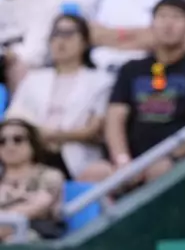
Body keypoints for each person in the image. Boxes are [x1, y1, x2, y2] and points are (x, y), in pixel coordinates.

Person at [85, 0, 185, 186]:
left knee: (160, 173)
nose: (168, 23)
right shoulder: (131, 69)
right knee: (92, 174)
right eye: (162, 17)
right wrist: (122, 161)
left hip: (175, 160)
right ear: (151, 26)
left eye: (176, 17)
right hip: (131, 160)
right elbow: (115, 118)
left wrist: (173, 157)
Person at [6, 15, 113, 181]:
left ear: (85, 42)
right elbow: (15, 118)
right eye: (56, 34)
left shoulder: (101, 81)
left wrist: (54, 135)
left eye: (69, 34)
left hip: (75, 155)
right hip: (34, 153)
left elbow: (95, 130)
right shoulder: (33, 78)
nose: (61, 41)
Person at [0, 118, 65, 242]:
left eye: (17, 139)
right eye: (2, 141)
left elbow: (37, 207)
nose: (10, 146)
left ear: (32, 143)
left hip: (35, 237)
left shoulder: (49, 175)